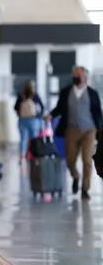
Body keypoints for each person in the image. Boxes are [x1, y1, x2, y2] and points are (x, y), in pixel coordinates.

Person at [44, 66, 103, 199]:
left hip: (89, 130)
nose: (76, 76)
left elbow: (98, 113)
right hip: (71, 129)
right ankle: (75, 176)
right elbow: (60, 107)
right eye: (74, 74)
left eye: (79, 74)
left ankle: (85, 189)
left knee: (87, 160)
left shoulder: (92, 93)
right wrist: (51, 115)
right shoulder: (66, 92)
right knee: (70, 159)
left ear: (85, 77)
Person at [14, 80, 44, 163]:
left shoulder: (21, 96)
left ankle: (21, 157)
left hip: (22, 120)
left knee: (23, 139)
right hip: (34, 120)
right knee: (34, 139)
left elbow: (15, 107)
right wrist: (39, 116)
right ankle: (33, 155)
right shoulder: (35, 96)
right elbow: (41, 107)